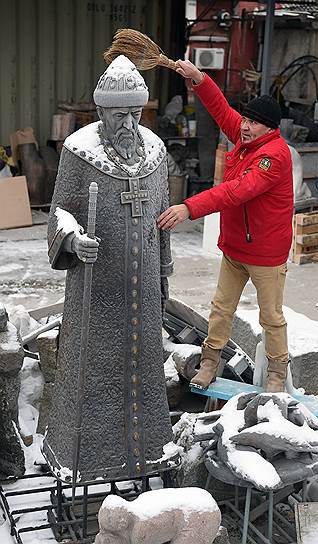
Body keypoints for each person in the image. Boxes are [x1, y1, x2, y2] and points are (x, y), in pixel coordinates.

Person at [44, 55, 175, 483]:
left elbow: (162, 213)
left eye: (136, 113)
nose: (129, 123)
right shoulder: (79, 152)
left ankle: (149, 455)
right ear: (101, 112)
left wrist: (163, 271)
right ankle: (83, 460)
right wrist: (73, 239)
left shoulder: (155, 151)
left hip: (143, 294)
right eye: (120, 114)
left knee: (144, 368)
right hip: (96, 290)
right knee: (94, 375)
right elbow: (59, 211)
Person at [157, 60, 294, 393]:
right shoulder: (248, 139)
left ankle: (276, 373)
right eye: (244, 119)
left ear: (270, 128)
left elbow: (236, 191)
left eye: (253, 123)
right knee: (220, 308)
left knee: (271, 317)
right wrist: (200, 79)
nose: (244, 126)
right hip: (236, 247)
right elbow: (222, 111)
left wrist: (189, 207)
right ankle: (209, 363)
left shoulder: (273, 156)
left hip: (265, 254)